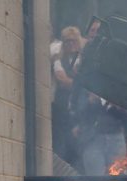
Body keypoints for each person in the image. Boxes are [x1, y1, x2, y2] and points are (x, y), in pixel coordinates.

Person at [52, 26, 83, 166]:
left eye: (73, 41)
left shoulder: (83, 60)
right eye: (67, 41)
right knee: (61, 148)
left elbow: (78, 85)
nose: (71, 44)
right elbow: (63, 81)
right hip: (62, 111)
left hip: (79, 113)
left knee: (77, 151)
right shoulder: (60, 59)